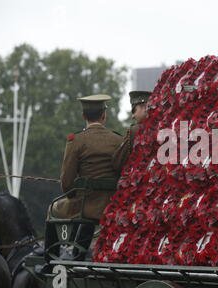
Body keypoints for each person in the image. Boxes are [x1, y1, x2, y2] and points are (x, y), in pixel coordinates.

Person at [45, 94, 123, 261]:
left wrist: (74, 196)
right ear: (104, 115)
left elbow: (66, 183)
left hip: (84, 207)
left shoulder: (76, 140)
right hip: (111, 206)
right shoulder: (118, 140)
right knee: (87, 218)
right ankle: (77, 253)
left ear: (83, 116)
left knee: (52, 209)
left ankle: (51, 258)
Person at [112, 90, 151, 174]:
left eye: (134, 111)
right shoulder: (167, 126)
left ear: (144, 108)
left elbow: (117, 162)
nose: (133, 116)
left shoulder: (135, 131)